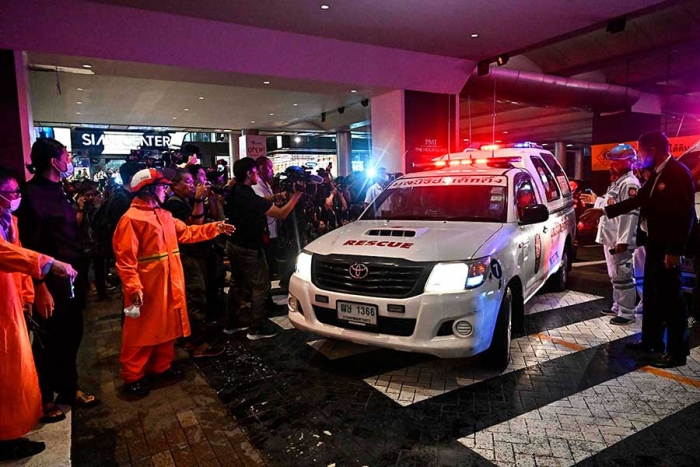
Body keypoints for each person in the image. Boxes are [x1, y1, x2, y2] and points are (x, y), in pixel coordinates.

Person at [112, 169, 234, 396]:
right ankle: (133, 376)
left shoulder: (164, 215)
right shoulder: (131, 219)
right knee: (140, 331)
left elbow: (187, 233)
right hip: (146, 287)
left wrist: (214, 228)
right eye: (161, 187)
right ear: (148, 190)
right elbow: (125, 259)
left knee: (168, 326)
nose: (165, 190)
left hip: (168, 284)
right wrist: (133, 286)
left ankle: (161, 366)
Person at [581, 131, 696, 368]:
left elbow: (684, 216)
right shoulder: (657, 174)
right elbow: (636, 202)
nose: (639, 158)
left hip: (668, 247)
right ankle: (651, 341)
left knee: (672, 299)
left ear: (652, 150)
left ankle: (677, 352)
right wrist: (602, 211)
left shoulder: (677, 174)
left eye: (641, 152)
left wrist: (674, 250)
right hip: (654, 243)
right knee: (653, 294)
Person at [16, 138, 97, 423]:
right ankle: (45, 397)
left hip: (70, 277)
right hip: (49, 282)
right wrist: (40, 287)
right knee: (49, 341)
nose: (69, 160)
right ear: (54, 161)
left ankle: (68, 387)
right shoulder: (31, 195)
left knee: (71, 335)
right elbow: (29, 246)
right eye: (66, 155)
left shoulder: (60, 190)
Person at [0, 167, 78, 461]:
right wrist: (47, 265)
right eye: (10, 193)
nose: (16, 197)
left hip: (10, 305)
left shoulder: (10, 220)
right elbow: (9, 254)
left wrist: (26, 295)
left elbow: (15, 255)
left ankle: (10, 433)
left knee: (13, 369)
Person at [224, 157, 303, 340]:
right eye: (254, 172)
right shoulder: (247, 194)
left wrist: (276, 197)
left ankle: (231, 324)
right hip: (248, 247)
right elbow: (281, 214)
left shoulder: (237, 190)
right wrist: (296, 196)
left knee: (237, 284)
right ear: (248, 174)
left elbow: (257, 202)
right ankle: (256, 328)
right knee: (260, 285)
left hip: (234, 244)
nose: (257, 174)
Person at [163, 168, 224, 358]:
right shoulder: (174, 204)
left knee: (197, 295)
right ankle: (198, 344)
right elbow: (194, 227)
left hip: (195, 255)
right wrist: (198, 200)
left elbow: (212, 216)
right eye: (188, 182)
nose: (192, 185)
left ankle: (191, 339)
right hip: (186, 256)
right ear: (174, 185)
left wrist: (209, 198)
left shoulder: (185, 201)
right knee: (195, 296)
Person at [580, 144, 641, 325]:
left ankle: (627, 312)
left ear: (628, 162)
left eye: (615, 162)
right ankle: (617, 306)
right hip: (611, 236)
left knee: (623, 275)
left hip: (618, 239)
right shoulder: (618, 182)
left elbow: (630, 214)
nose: (610, 165)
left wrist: (623, 240)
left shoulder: (630, 184)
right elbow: (611, 205)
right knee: (614, 274)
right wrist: (596, 201)